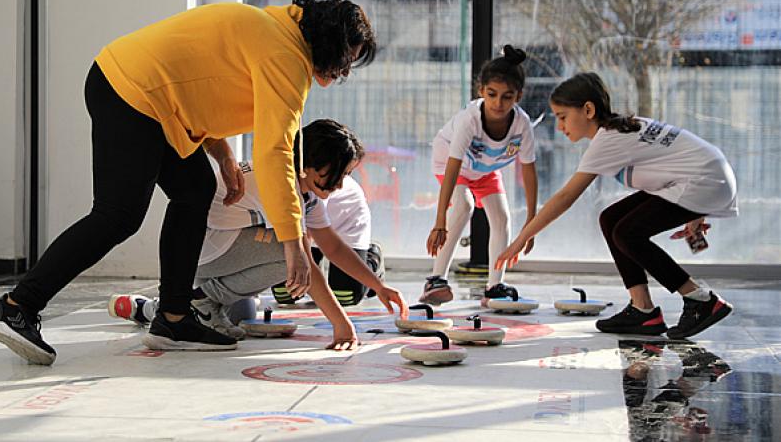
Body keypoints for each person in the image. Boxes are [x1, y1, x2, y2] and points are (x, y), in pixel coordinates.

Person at [0, 0, 377, 365]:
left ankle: (173, 316)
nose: (343, 72)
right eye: (346, 59)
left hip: (148, 96)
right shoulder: (285, 57)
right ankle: (18, 306)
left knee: (195, 189)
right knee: (119, 214)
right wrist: (292, 243)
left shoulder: (273, 31)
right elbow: (275, 152)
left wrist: (221, 155)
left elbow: (197, 83)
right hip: (131, 93)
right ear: (328, 42)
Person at [109, 119, 408, 350]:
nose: (341, 185)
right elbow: (306, 264)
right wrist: (342, 325)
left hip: (217, 251)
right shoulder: (282, 184)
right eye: (338, 174)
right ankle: (199, 301)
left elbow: (333, 246)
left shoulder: (307, 190)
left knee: (242, 312)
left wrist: (377, 286)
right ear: (310, 165)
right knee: (292, 259)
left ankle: (154, 309)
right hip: (200, 252)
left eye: (347, 176)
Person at [495, 72, 736, 338]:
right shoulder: (621, 128)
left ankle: (700, 300)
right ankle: (642, 310)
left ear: (588, 109)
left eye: (562, 117)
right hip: (705, 178)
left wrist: (522, 237)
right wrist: (695, 213)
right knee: (611, 219)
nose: (560, 126)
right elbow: (678, 160)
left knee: (627, 232)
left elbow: (565, 198)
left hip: (705, 181)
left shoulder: (608, 139)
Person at [422, 45, 539, 305]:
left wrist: (531, 223)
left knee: (502, 217)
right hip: (451, 163)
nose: (498, 103)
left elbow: (529, 170)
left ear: (518, 96)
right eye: (492, 94)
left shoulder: (522, 125)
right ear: (481, 91)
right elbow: (453, 166)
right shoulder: (469, 120)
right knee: (462, 207)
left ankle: (495, 285)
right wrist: (440, 219)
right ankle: (435, 279)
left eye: (507, 97)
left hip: (485, 169)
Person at [271, 175, 384, 307]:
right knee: (284, 293)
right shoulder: (284, 183)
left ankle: (371, 260)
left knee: (345, 295)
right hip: (312, 230)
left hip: (340, 230)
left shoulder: (320, 187)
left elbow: (331, 247)